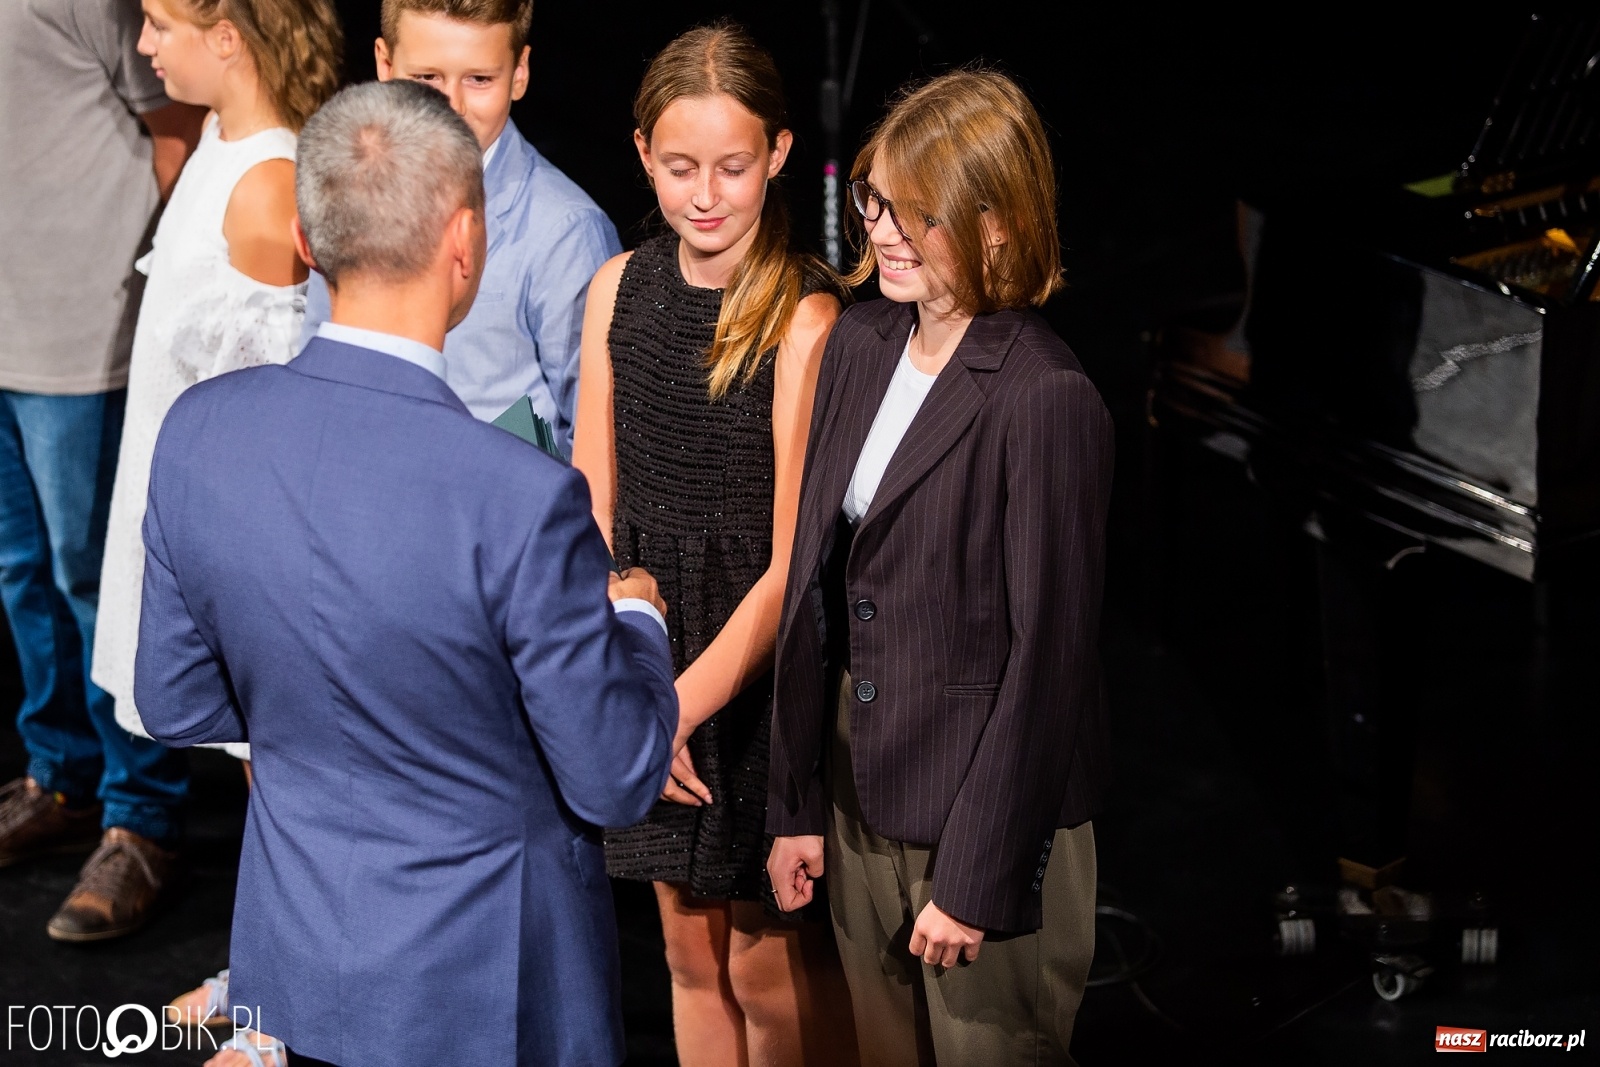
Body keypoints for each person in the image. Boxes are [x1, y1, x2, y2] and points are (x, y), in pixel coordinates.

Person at [136, 79, 680, 1067]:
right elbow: (613, 777)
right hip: (489, 985)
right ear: (464, 243)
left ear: (305, 241)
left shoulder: (198, 433)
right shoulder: (521, 496)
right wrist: (638, 623)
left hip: (293, 962)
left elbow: (176, 701)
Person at [765, 70, 1115, 1064]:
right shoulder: (861, 341)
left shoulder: (1044, 397)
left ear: (996, 226)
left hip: (982, 812)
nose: (883, 231)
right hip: (857, 787)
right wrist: (796, 800)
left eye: (917, 213)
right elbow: (813, 588)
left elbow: (1049, 663)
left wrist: (978, 875)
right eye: (875, 201)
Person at [572, 23, 857, 1067]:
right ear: (642, 153)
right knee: (689, 956)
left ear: (777, 154)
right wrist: (633, 678)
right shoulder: (616, 289)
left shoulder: (804, 318)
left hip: (755, 680)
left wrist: (676, 709)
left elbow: (792, 566)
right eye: (680, 166)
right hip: (649, 652)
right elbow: (591, 506)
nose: (704, 195)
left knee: (766, 972)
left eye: (731, 168)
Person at [0, 0, 203, 940]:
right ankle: (62, 776)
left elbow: (178, 126)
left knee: (95, 581)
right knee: (21, 573)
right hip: (6, 337)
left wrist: (137, 296)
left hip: (84, 341)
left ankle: (142, 814)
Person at [299, 0, 621, 450]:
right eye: (426, 78)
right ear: (385, 64)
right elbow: (317, 357)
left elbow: (598, 441)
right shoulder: (346, 191)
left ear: (520, 73)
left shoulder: (564, 233)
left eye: (479, 79)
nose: (452, 105)